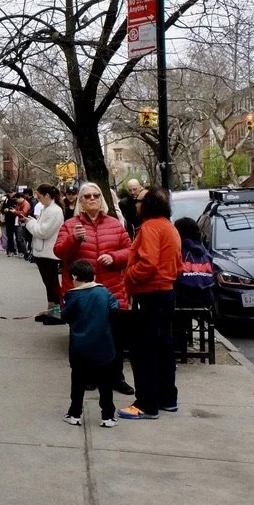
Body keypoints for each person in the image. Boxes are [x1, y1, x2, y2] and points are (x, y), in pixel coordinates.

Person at [53, 181, 134, 394]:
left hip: (111, 291)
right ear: (80, 201)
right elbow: (60, 253)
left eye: (95, 195)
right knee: (84, 338)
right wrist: (74, 240)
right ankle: (88, 377)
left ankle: (116, 378)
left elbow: (130, 250)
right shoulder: (71, 225)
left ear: (102, 199)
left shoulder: (115, 224)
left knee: (115, 338)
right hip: (82, 294)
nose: (92, 199)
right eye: (87, 196)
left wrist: (114, 257)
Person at [119, 187, 183, 420]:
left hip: (149, 294)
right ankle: (167, 398)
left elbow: (148, 264)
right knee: (164, 348)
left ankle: (146, 403)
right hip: (165, 293)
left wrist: (129, 276)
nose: (134, 204)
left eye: (137, 201)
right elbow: (177, 264)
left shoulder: (150, 228)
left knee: (144, 351)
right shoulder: (169, 226)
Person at [62, 259, 119, 428]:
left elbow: (65, 316)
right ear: (93, 276)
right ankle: (108, 416)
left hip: (80, 347)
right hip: (104, 347)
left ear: (74, 277)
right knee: (105, 384)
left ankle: (74, 413)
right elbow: (115, 309)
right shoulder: (105, 292)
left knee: (78, 382)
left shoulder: (73, 296)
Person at [23, 184, 65, 316]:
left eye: (39, 196)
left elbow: (42, 232)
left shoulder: (54, 211)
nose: (38, 199)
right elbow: (41, 228)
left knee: (52, 283)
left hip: (48, 252)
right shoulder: (47, 208)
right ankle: (52, 309)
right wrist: (31, 221)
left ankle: (56, 311)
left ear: (47, 196)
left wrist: (29, 223)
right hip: (43, 251)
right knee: (49, 283)